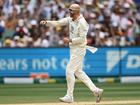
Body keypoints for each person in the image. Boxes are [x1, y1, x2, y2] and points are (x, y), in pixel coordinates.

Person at [40, 4, 103, 103]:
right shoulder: (70, 19)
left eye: (72, 11)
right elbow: (58, 23)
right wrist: (47, 22)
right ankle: (96, 91)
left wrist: (70, 40)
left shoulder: (82, 23)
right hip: (74, 49)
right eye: (69, 10)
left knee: (69, 70)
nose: (70, 12)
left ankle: (70, 96)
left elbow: (82, 39)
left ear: (77, 11)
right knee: (78, 72)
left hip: (79, 49)